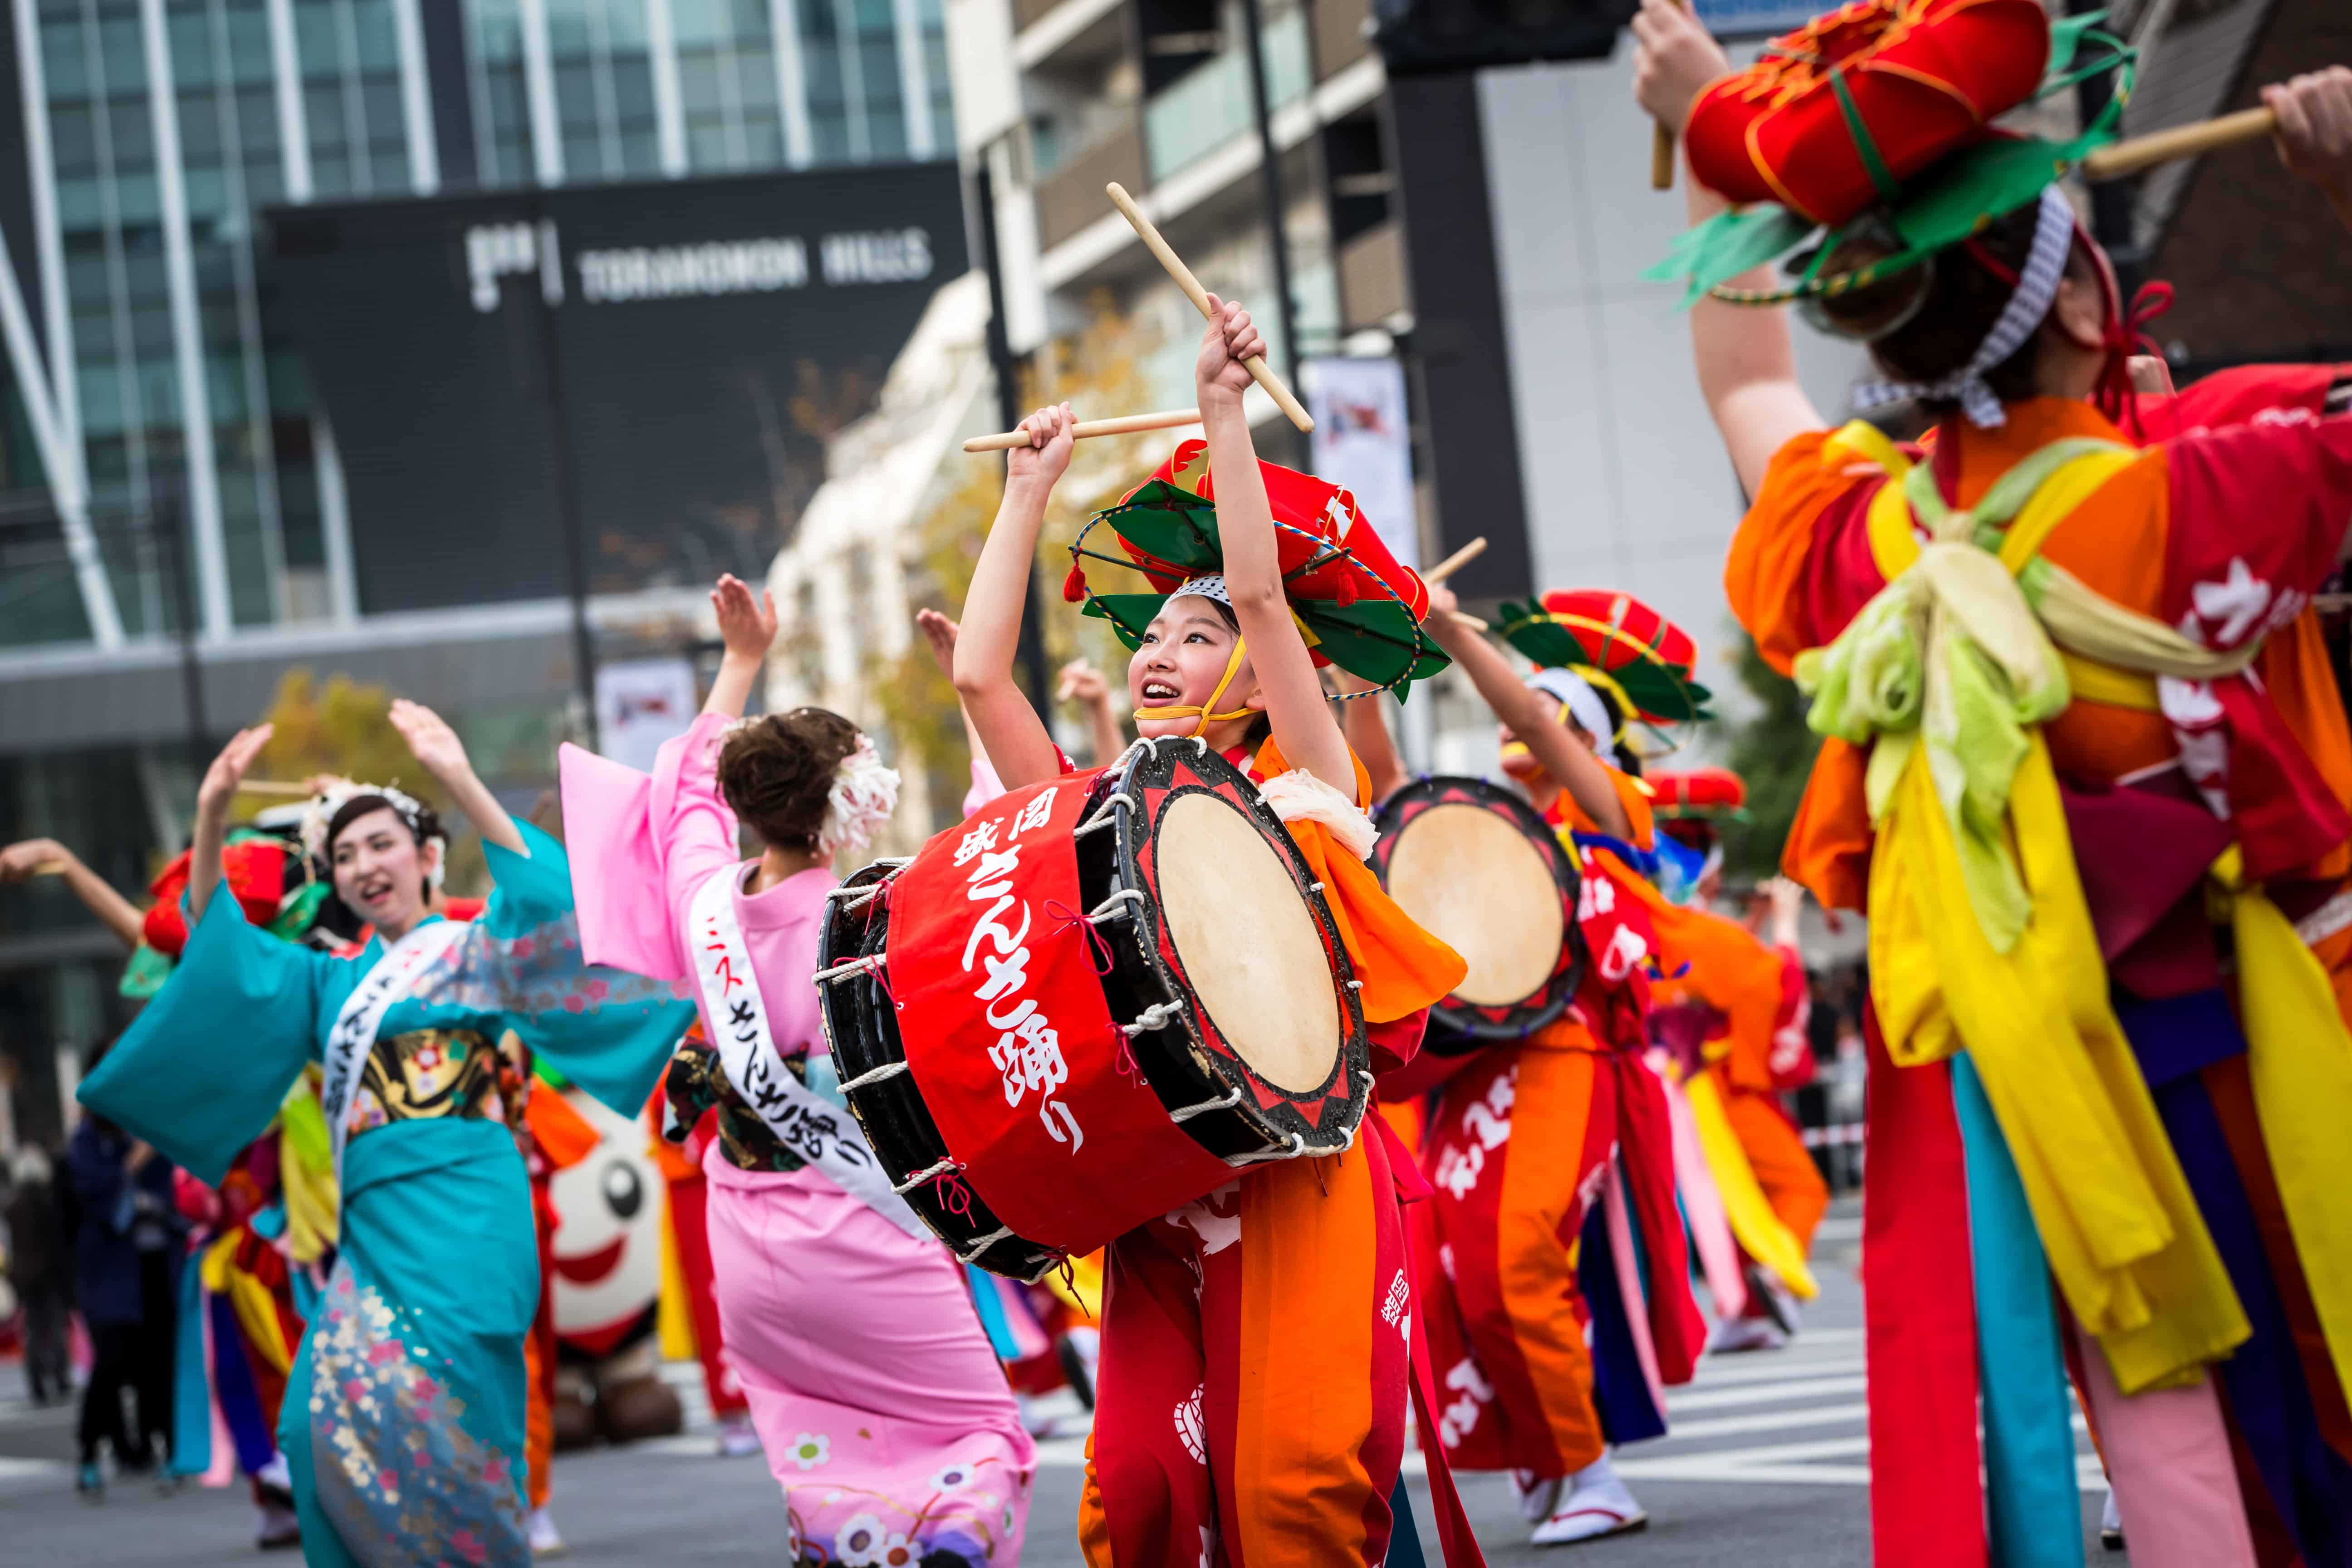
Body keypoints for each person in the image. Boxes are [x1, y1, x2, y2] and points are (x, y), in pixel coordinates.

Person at [1637, 1, 2352, 1562]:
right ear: (2091, 310)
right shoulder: (2202, 497)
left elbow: (1747, 383)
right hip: (2276, 1039)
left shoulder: (1862, 544)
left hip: (2044, 1092)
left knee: (2177, 1436)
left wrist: (1719, 146)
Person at [953, 298, 1482, 1568]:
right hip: (1161, 1184)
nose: (1160, 650)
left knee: (1291, 1492)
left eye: (1197, 638)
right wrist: (1025, 493)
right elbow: (978, 679)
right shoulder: (1092, 817)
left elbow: (1256, 586)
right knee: (1136, 1492)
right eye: (1152, 634)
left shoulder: (1305, 790)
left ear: (1257, 677)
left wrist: (1221, 411)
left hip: (1300, 1176)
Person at [78, 701, 691, 1566]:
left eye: (381, 845)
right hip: (371, 1230)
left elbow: (541, 900)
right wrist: (212, 812)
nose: (364, 865)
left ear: (426, 857)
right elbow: (216, 947)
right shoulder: (326, 982)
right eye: (345, 856)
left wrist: (457, 776)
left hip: (470, 1214)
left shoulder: (477, 952)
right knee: (317, 1427)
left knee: (455, 1424)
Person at [559, 573, 1036, 1566]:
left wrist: (740, 659)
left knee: (820, 1452)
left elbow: (681, 803)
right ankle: (950, 1540)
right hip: (866, 1226)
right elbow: (999, 847)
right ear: (850, 806)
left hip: (747, 1244)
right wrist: (976, 697)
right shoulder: (883, 918)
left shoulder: (703, 901)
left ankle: (853, 1544)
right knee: (980, 1435)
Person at [1402, 576, 1708, 1546]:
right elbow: (1383, 778)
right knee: (1444, 1265)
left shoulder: (1613, 812)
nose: (1520, 721)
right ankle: (1543, 1454)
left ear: (1589, 741)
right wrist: (1364, 653)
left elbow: (1533, 717)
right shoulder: (1484, 826)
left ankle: (1590, 1469)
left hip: (1567, 1052)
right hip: (1474, 1065)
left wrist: (1452, 631)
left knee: (1514, 1255)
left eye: (1548, 712)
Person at [1643, 777, 1827, 1350]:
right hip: (1716, 1085)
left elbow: (1721, 975)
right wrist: (1787, 925)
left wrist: (1752, 927)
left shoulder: (1659, 923)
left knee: (1731, 1197)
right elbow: (1775, 985)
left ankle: (1744, 1310)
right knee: (1801, 1187)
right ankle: (1773, 1279)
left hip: (1666, 1080)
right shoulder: (1703, 931)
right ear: (1708, 869)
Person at [66, 1067, 184, 1496]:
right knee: (112, 1361)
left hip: (156, 1265)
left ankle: (168, 1450)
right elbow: (95, 1200)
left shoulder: (156, 1129)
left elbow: (179, 1193)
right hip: (109, 1273)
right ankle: (90, 1452)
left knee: (162, 1362)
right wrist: (136, 1161)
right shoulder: (88, 1142)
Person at [6, 1147, 71, 1407]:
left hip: (25, 1275)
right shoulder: (47, 1202)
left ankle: (37, 1381)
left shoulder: (13, 1206)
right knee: (54, 1326)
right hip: (48, 1274)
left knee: (33, 1329)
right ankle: (59, 1376)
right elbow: (57, 1242)